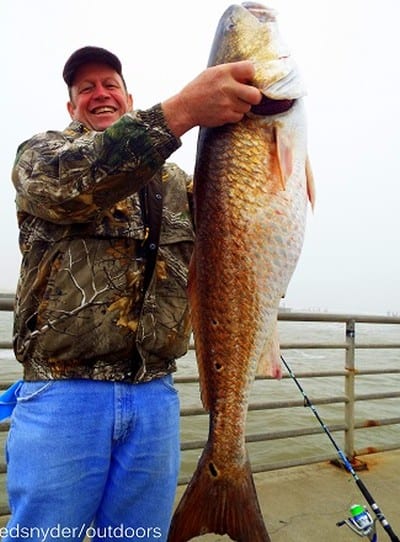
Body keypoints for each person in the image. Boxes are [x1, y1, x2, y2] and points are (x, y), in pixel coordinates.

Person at [4, 46, 262, 542]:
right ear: (71, 106)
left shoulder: (181, 184)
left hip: (155, 397)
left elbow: (235, 238)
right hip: (65, 396)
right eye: (86, 88)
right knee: (44, 535)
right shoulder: (42, 157)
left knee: (135, 537)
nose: (99, 93)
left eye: (110, 84)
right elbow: (75, 181)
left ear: (127, 96)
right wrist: (184, 110)